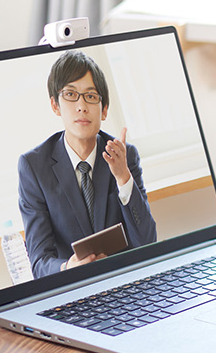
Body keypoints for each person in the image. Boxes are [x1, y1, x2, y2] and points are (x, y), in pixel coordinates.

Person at [18, 50, 157, 279]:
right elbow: (40, 262)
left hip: (124, 283)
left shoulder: (124, 156)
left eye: (91, 96)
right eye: (71, 94)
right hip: (73, 289)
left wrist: (123, 177)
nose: (81, 106)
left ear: (103, 110)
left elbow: (147, 242)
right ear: (55, 105)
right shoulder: (33, 167)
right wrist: (67, 268)